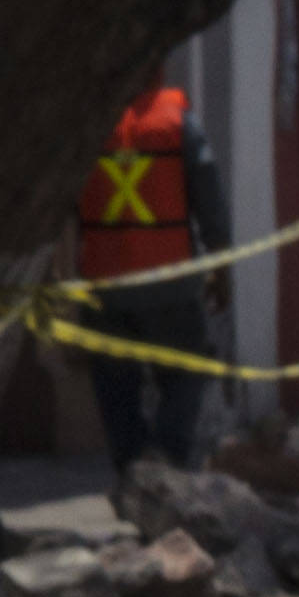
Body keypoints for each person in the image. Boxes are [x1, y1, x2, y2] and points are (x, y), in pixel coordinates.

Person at [75, 82, 223, 467]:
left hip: (104, 287)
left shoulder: (86, 126)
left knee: (116, 391)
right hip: (170, 284)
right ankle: (166, 464)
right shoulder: (178, 123)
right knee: (185, 375)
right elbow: (210, 201)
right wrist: (222, 267)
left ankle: (133, 472)